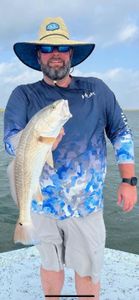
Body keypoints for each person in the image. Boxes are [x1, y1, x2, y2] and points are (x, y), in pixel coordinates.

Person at [3, 17, 137, 300]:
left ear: (71, 54)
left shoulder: (97, 90)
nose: (56, 54)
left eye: (62, 48)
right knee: (50, 268)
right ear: (38, 55)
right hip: (41, 206)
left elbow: (121, 132)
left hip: (86, 206)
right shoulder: (23, 95)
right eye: (48, 48)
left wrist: (128, 179)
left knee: (87, 274)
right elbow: (11, 141)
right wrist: (39, 141)